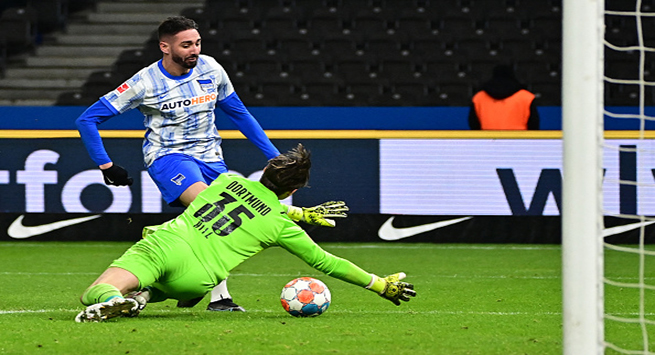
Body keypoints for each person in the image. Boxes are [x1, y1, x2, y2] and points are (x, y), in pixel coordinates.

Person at [75, 16, 347, 312]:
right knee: (210, 204)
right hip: (169, 157)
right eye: (187, 44)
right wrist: (106, 165)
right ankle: (219, 298)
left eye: (198, 43)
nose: (195, 50)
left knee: (220, 220)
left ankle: (167, 284)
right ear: (164, 47)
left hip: (211, 157)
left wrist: (273, 156)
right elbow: (87, 119)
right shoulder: (144, 82)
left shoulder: (211, 68)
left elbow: (239, 113)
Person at [74, 144, 416, 323]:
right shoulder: (281, 225)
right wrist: (379, 284)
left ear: (266, 169)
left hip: (165, 246)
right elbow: (327, 262)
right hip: (198, 280)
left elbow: (246, 198)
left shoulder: (228, 180)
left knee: (95, 291)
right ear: (292, 190)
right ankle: (142, 298)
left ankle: (112, 301)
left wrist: (298, 212)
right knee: (155, 288)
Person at [468, 64, 540, 130]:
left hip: (488, 141)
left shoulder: (479, 97)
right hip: (519, 141)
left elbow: (473, 123)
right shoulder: (526, 97)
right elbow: (533, 124)